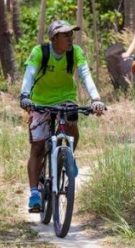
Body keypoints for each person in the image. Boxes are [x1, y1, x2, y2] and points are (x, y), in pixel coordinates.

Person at [19, 20, 106, 212]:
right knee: (38, 147)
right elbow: (30, 74)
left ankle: (68, 158)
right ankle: (34, 193)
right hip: (39, 102)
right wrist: (24, 96)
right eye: (65, 35)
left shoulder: (75, 52)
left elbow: (85, 75)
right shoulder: (40, 52)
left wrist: (96, 99)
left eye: (71, 34)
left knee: (72, 126)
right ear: (54, 38)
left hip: (66, 99)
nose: (70, 38)